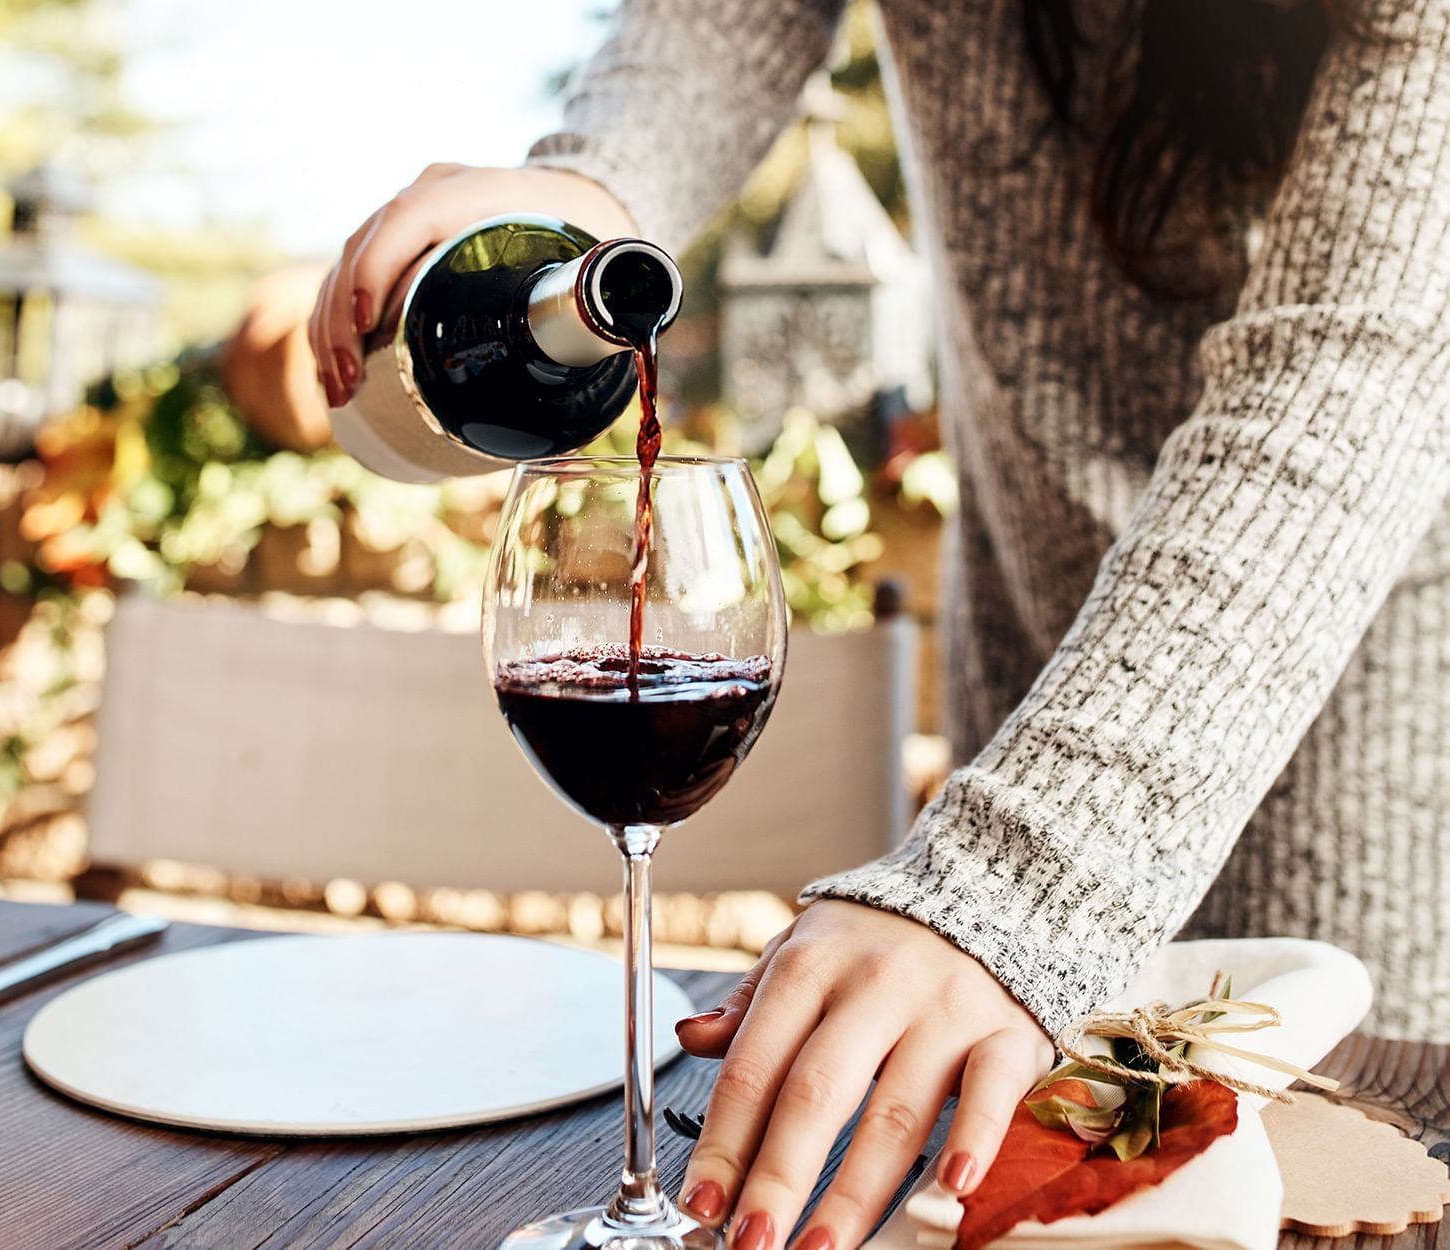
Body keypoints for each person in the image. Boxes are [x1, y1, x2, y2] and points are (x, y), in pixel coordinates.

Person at [303, 2, 1450, 1247]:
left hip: (1344, 711)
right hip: (1026, 666)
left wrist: (1011, 876)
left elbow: (1348, 379)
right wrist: (597, 180)